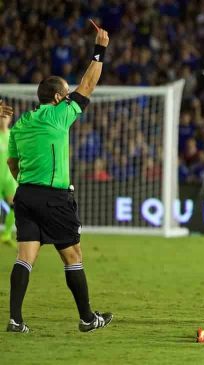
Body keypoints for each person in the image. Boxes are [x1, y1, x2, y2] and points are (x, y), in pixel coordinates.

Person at [6, 20, 112, 333]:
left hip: (25, 195)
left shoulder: (21, 124)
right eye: (65, 95)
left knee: (25, 257)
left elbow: (12, 164)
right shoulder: (58, 115)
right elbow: (88, 86)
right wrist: (99, 51)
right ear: (56, 98)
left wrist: (28, 179)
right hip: (54, 198)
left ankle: (15, 319)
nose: (69, 98)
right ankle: (87, 319)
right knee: (73, 256)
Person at [0, 101, 17, 246]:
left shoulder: (13, 136)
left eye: (5, 116)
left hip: (9, 178)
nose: (3, 118)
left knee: (14, 205)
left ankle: (6, 234)